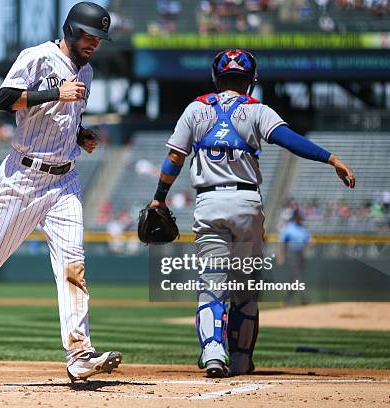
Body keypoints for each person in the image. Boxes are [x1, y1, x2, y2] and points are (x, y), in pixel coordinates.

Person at [0, 2, 121, 383]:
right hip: (24, 178)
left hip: (64, 182)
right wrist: (52, 93)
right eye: (90, 35)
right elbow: (1, 100)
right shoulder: (37, 57)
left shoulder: (89, 72)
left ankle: (79, 353)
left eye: (99, 38)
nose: (95, 43)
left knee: (73, 264)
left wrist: (82, 136)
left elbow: (67, 118)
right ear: (71, 30)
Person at [148, 49, 355, 377]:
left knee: (211, 283)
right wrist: (330, 158)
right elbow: (289, 140)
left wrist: (159, 198)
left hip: (209, 203)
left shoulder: (196, 109)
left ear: (216, 78)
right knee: (245, 288)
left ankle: (214, 351)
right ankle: (242, 359)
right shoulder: (257, 110)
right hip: (246, 204)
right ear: (251, 81)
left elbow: (174, 158)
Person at [278, 210, 311, 304]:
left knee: (294, 278)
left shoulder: (302, 228)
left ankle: (287, 299)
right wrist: (281, 256)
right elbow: (282, 242)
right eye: (299, 218)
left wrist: (310, 241)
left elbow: (307, 238)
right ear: (295, 217)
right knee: (297, 276)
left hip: (301, 253)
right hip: (291, 254)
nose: (301, 220)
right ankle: (303, 297)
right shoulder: (289, 227)